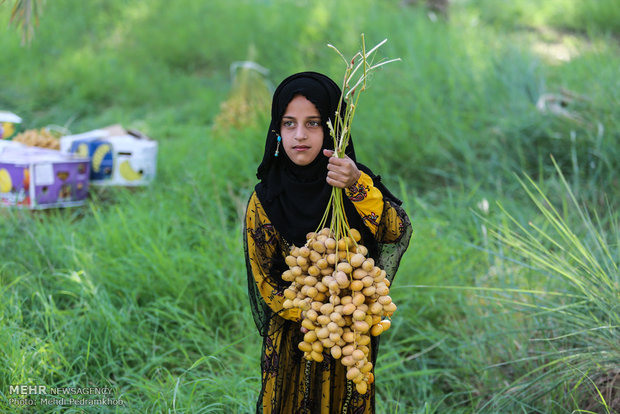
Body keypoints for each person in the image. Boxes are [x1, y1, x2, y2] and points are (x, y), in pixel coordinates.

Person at [243, 71, 412, 414]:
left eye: (314, 123)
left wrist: (356, 185)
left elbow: (396, 231)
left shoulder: (350, 176)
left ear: (334, 129)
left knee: (346, 399)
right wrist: (313, 312)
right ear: (277, 131)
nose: (299, 135)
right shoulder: (265, 198)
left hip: (351, 333)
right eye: (289, 124)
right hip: (295, 334)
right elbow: (263, 277)